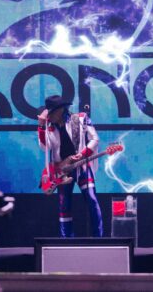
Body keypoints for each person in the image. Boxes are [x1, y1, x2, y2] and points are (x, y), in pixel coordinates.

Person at [38, 95, 103, 237]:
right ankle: (66, 239)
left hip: (82, 166)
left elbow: (95, 139)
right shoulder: (49, 126)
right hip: (62, 170)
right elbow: (45, 147)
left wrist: (83, 154)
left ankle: (98, 237)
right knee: (64, 205)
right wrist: (41, 127)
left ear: (60, 110)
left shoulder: (80, 119)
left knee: (92, 199)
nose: (50, 116)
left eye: (52, 113)